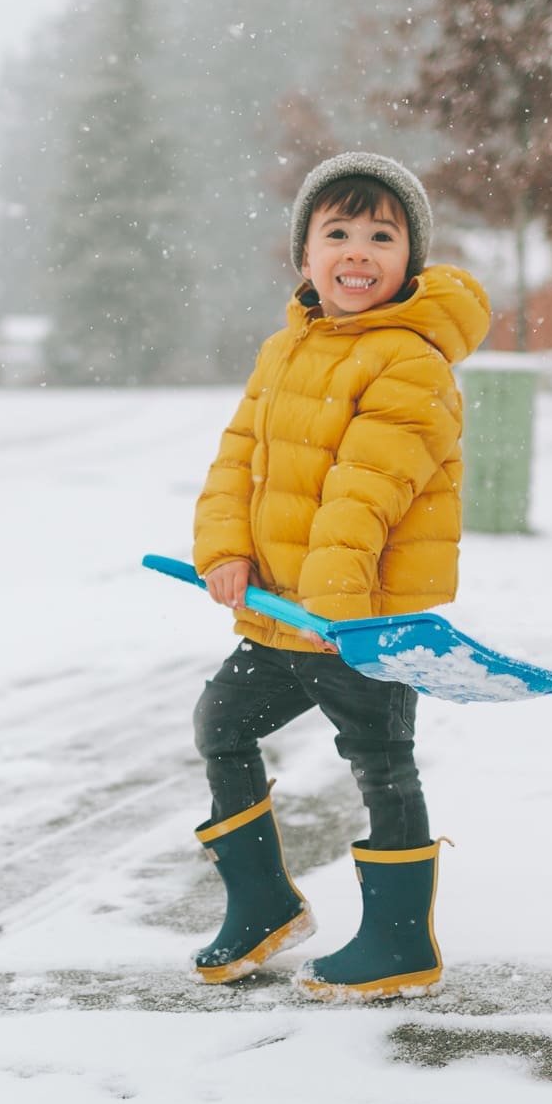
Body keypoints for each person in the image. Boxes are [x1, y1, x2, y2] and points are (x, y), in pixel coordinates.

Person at [188, 151, 490, 999]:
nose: (358, 251)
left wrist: (338, 614)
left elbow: (366, 494)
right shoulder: (287, 350)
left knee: (381, 765)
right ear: (306, 255)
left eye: (381, 236)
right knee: (222, 721)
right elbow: (236, 458)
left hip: (363, 620)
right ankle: (263, 905)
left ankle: (400, 941)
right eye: (338, 232)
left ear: (409, 262)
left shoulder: (412, 361)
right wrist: (225, 549)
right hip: (282, 613)